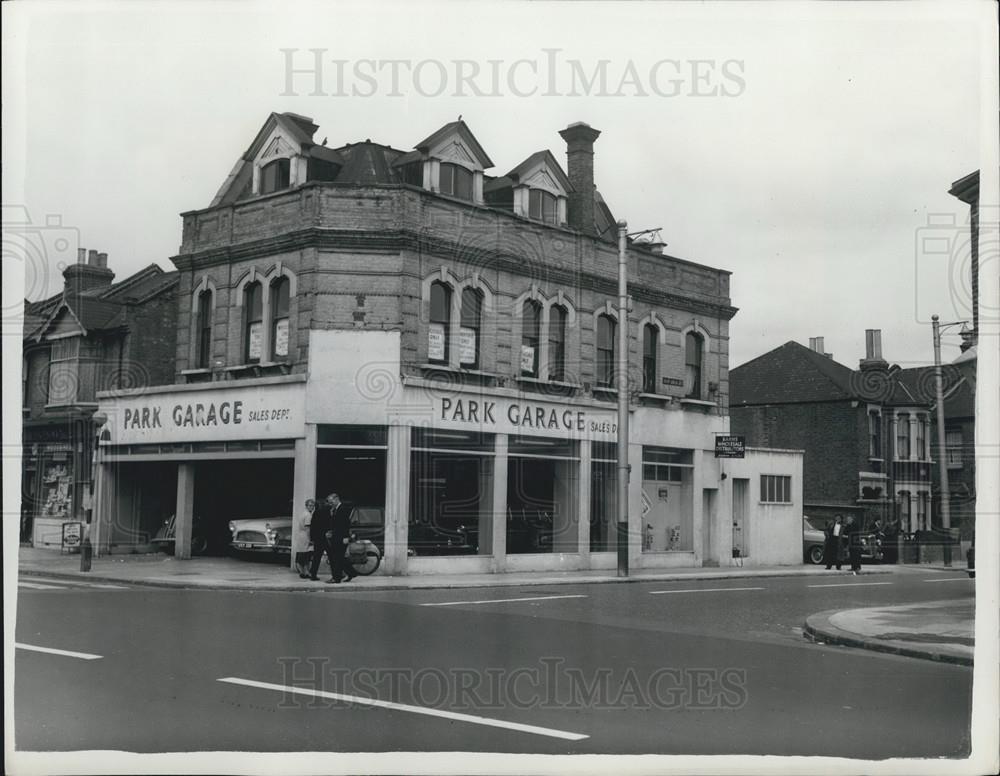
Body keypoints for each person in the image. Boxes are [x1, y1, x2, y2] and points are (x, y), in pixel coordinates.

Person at [324, 492, 358, 584]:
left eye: (331, 502)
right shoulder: (335, 509)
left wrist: (346, 537)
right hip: (336, 536)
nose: (330, 504)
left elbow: (345, 525)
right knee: (339, 558)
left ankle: (336, 578)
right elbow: (336, 524)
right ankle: (351, 573)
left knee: (337, 558)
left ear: (336, 499)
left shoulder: (343, 509)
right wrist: (331, 532)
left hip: (341, 537)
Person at [307, 494, 334, 581]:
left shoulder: (316, 512)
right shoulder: (329, 512)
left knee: (316, 557)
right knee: (332, 556)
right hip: (326, 538)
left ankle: (313, 574)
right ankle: (336, 573)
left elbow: (313, 527)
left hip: (318, 538)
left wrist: (312, 538)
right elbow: (330, 525)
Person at [295, 499, 316, 579]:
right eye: (310, 505)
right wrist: (310, 539)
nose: (312, 507)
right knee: (306, 555)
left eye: (313, 506)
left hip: (301, 536)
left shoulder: (303, 514)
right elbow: (308, 528)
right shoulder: (308, 515)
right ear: (306, 506)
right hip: (305, 536)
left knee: (301, 554)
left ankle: (304, 572)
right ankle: (305, 572)